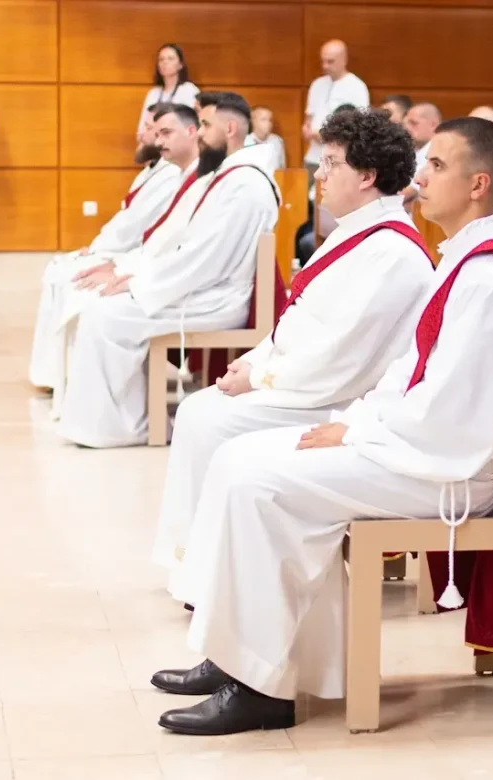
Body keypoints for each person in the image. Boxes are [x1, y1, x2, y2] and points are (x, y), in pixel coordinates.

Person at [152, 117, 493, 736]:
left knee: (258, 479)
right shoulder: (465, 263)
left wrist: (357, 432)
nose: (420, 177)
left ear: (478, 184)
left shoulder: (491, 283)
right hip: (420, 447)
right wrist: (358, 422)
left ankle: (259, 688)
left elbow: (461, 419)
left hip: (455, 470)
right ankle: (246, 662)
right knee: (238, 459)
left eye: (436, 165)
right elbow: (407, 379)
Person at [152, 108, 437, 577]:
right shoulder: (356, 232)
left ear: (367, 176)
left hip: (339, 399)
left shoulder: (395, 253)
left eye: (331, 163)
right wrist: (253, 362)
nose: (319, 176)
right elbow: (301, 319)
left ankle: (217, 570)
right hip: (307, 381)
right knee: (201, 411)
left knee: (208, 421)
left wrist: (260, 377)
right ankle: (200, 563)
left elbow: (343, 355)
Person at [54, 92, 280, 448]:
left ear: (230, 128)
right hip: (201, 286)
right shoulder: (230, 176)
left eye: (205, 125)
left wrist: (139, 283)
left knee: (106, 315)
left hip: (217, 297)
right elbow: (188, 247)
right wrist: (134, 275)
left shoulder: (246, 185)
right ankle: (115, 419)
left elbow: (206, 259)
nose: (199, 133)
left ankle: (125, 427)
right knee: (100, 304)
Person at [28, 104, 199, 393]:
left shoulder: (177, 176)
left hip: (149, 266)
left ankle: (82, 384)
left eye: (157, 130)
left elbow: (143, 229)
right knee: (63, 274)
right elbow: (137, 223)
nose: (145, 135)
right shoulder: (160, 172)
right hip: (135, 257)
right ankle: (59, 376)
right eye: (151, 130)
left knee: (81, 288)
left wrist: (113, 261)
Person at [303, 40, 370, 176]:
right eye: (323, 61)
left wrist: (327, 135)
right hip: (313, 156)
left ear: (344, 60)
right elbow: (309, 117)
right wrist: (306, 129)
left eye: (330, 61)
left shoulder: (357, 87)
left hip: (339, 160)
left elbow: (361, 126)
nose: (325, 66)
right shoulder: (317, 84)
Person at [137, 44, 199, 135]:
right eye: (161, 59)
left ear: (180, 65)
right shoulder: (153, 93)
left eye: (170, 58)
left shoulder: (189, 90)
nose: (165, 62)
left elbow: (193, 124)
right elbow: (142, 127)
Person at [248, 106, 286, 171]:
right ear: (253, 121)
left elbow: (282, 167)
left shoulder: (277, 141)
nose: (268, 123)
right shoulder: (244, 142)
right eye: (263, 119)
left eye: (270, 120)